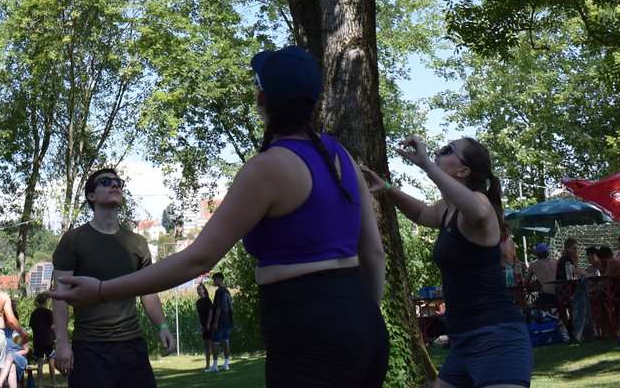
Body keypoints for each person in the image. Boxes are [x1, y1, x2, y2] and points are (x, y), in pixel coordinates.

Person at [49, 46, 385, 387]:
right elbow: (374, 253)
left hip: (311, 335)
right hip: (365, 324)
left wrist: (102, 290)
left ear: (261, 99)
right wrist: (364, 319)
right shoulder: (340, 155)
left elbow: (199, 259)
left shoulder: (267, 168)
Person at [376, 135, 530, 388]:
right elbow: (420, 213)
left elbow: (480, 213)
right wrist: (386, 188)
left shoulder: (479, 201)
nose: (438, 152)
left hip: (497, 337)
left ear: (464, 171)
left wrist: (427, 164)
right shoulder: (447, 209)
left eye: (448, 150)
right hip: (462, 340)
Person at [46, 166, 178, 387]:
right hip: (89, 348)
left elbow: (148, 292)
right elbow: (60, 296)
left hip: (132, 346)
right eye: (105, 182)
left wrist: (163, 326)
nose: (115, 184)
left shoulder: (137, 243)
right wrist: (62, 342)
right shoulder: (73, 240)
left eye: (118, 182)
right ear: (91, 196)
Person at [28, 293, 57, 388]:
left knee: (40, 362)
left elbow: (32, 327)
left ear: (38, 302)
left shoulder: (34, 313)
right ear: (45, 302)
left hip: (38, 340)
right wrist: (55, 337)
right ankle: (53, 382)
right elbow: (52, 327)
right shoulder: (49, 313)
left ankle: (40, 384)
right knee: (51, 360)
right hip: (48, 340)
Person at [208, 272, 232, 372]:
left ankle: (215, 365)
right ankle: (226, 364)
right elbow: (230, 306)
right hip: (227, 320)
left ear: (219, 280)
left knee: (215, 342)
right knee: (226, 341)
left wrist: (215, 322)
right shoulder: (227, 291)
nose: (214, 282)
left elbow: (218, 308)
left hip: (220, 321)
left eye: (215, 280)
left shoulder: (219, 292)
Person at [525, 241, 558, 315]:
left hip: (548, 297)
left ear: (537, 254)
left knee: (528, 310)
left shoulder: (533, 265)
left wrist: (530, 285)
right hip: (561, 295)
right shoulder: (555, 262)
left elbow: (525, 283)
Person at [193, 282, 215, 372]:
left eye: (199, 289)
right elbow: (198, 314)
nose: (198, 291)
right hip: (203, 326)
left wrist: (208, 323)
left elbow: (210, 312)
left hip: (209, 325)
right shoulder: (198, 302)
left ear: (204, 290)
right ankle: (207, 365)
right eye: (197, 289)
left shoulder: (208, 300)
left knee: (211, 344)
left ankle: (214, 364)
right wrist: (201, 325)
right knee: (206, 345)